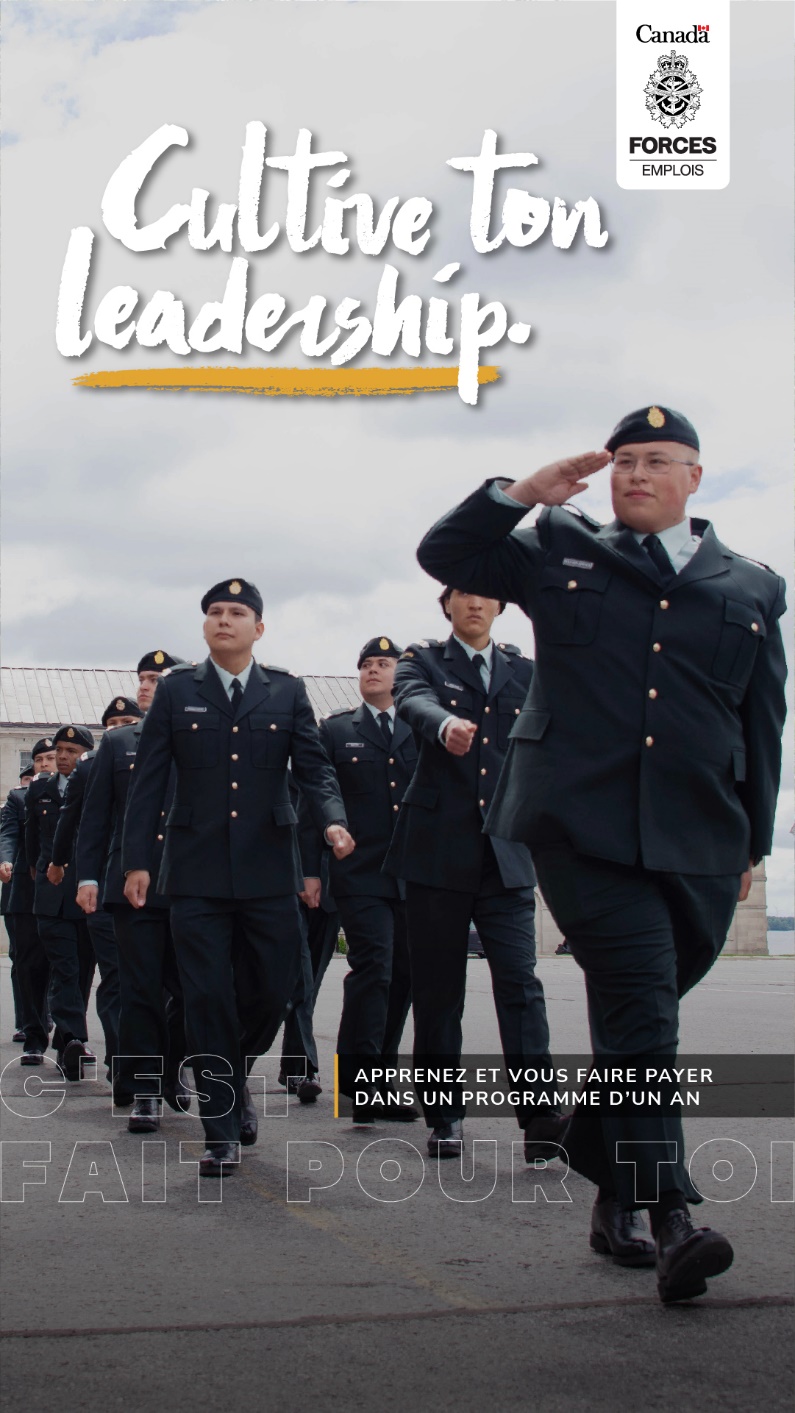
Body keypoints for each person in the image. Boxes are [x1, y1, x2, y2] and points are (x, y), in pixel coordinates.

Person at [414, 405, 787, 1302]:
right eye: (622, 460)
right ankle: (674, 1220)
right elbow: (447, 556)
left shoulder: (751, 586)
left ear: (695, 477)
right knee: (642, 1007)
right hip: (578, 825)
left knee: (643, 1015)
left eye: (656, 460)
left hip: (698, 833)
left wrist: (751, 838)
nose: (633, 474)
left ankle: (607, 1173)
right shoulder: (559, 548)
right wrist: (520, 494)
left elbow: (762, 722)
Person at [121, 579, 354, 1176]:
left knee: (275, 990)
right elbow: (148, 781)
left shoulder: (286, 690)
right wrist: (137, 862)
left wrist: (331, 823)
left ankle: (228, 1068)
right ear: (205, 627)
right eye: (215, 613)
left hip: (269, 869)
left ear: (259, 628)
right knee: (205, 995)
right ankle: (220, 1129)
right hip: (194, 873)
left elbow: (315, 769)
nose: (224, 620)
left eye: (238, 612)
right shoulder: (176, 692)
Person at [384, 591, 564, 1159]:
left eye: (485, 595)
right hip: (437, 853)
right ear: (447, 606)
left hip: (506, 853)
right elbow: (412, 700)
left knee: (521, 986)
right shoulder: (423, 661)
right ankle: (445, 1115)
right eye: (463, 595)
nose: (475, 605)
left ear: (501, 606)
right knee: (439, 992)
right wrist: (443, 726)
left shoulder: (526, 669)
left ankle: (541, 1121)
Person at [74, 662, 189, 1132]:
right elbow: (95, 816)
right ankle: (145, 1089)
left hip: (189, 885)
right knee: (139, 990)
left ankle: (171, 1070)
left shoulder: (201, 738)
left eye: (156, 681)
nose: (145, 687)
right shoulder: (119, 744)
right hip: (130, 886)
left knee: (192, 991)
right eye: (142, 680)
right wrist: (88, 876)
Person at [314, 636, 419, 1122]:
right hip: (360, 872)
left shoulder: (422, 726)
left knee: (403, 977)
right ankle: (357, 1085)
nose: (374, 670)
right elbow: (314, 794)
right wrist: (312, 869)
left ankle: (379, 1079)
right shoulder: (337, 731)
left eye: (384, 663)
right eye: (367, 665)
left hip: (417, 873)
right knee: (374, 968)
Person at [24, 725, 98, 1078]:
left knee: (83, 970)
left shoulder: (98, 784)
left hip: (88, 894)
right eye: (60, 750)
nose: (64, 756)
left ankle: (72, 1037)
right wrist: (36, 876)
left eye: (72, 750)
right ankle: (73, 1038)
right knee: (64, 968)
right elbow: (32, 840)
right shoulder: (39, 789)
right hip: (51, 896)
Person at [0, 740, 56, 1061]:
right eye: (40, 759)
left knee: (65, 962)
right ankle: (33, 1029)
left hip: (63, 891)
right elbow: (7, 833)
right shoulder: (18, 797)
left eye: (52, 757)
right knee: (27, 962)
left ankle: (67, 1032)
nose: (47, 763)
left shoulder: (77, 792)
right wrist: (5, 859)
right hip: (26, 890)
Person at [1, 763, 36, 1044]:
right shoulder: (13, 804)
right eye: (26, 778)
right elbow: (7, 840)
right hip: (16, 894)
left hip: (49, 891)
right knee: (21, 958)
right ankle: (25, 1021)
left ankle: (44, 1015)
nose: (31, 782)